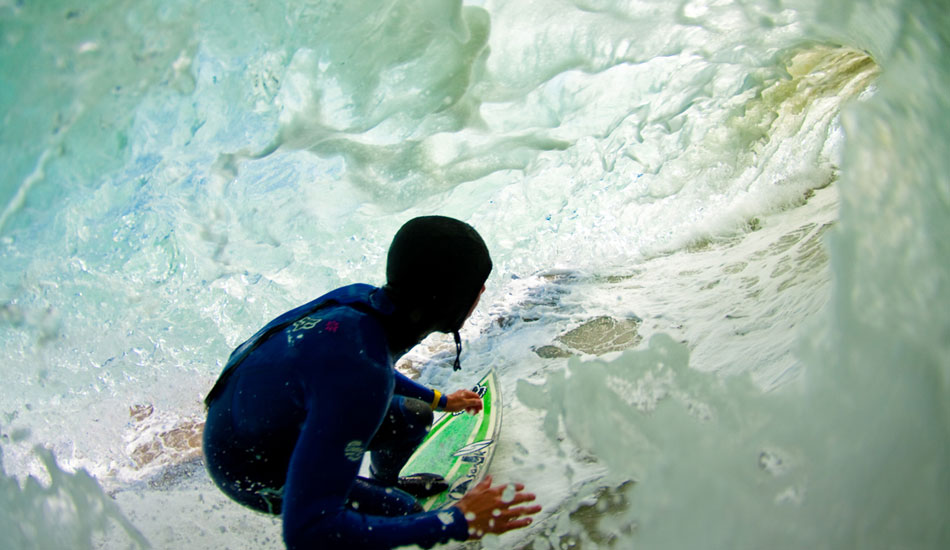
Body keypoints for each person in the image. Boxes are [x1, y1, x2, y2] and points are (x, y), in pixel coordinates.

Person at [202, 216, 541, 549]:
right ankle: (384, 505)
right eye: (477, 287)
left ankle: (386, 483)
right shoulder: (362, 378)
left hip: (255, 415)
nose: (482, 292)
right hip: (249, 466)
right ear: (452, 301)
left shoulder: (365, 303)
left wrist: (441, 400)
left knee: (416, 415)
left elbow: (354, 366)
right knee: (403, 513)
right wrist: (457, 522)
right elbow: (306, 533)